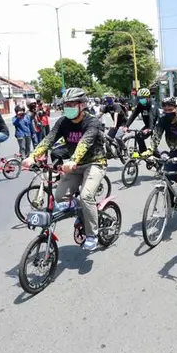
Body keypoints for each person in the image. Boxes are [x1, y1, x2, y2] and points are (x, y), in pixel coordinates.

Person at [24, 88, 107, 250]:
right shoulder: (62, 122)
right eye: (66, 104)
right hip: (75, 165)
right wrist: (33, 156)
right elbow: (49, 139)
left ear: (82, 105)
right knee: (60, 197)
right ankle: (81, 210)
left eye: (72, 104)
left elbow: (85, 142)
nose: (68, 107)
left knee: (86, 196)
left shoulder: (92, 122)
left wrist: (74, 160)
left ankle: (92, 235)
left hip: (95, 163)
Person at [124, 88, 159, 154]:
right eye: (139, 98)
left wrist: (149, 129)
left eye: (142, 98)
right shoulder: (140, 104)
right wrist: (126, 126)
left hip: (156, 125)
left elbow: (152, 117)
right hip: (148, 125)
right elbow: (133, 115)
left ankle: (160, 162)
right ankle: (144, 153)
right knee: (139, 136)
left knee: (153, 146)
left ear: (148, 97)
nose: (141, 99)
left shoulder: (152, 104)